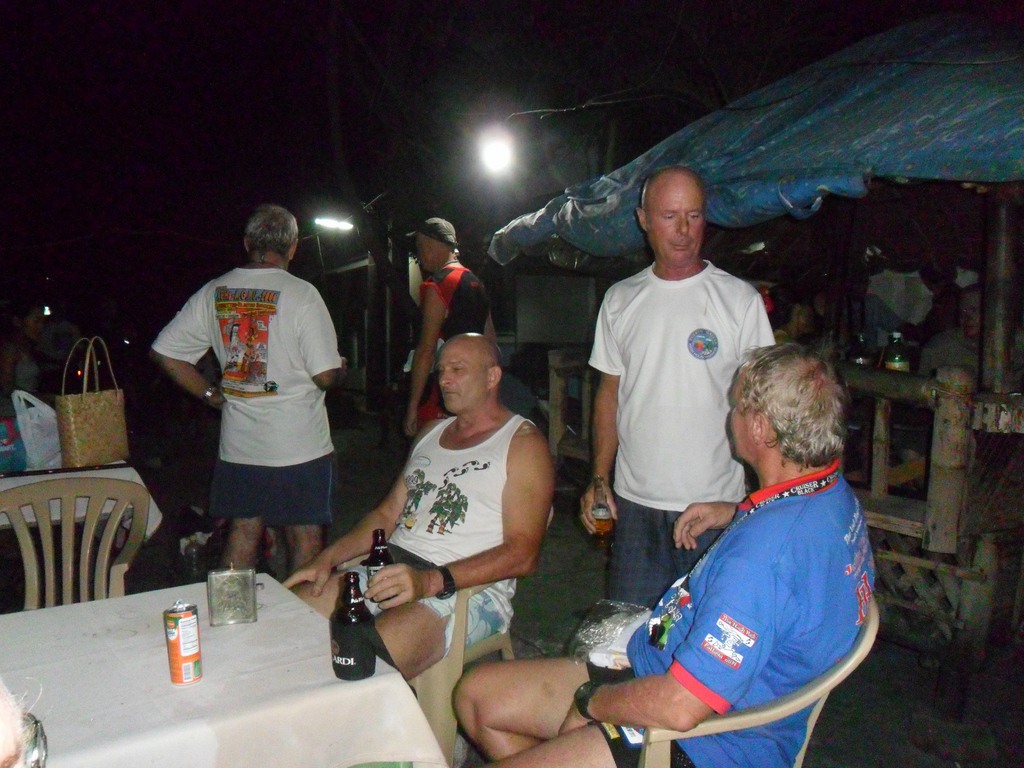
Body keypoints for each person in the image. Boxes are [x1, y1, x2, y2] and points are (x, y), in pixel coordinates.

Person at [455, 343, 876, 768]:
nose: (729, 415)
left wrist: (591, 702)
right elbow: (788, 555)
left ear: (761, 428)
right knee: (476, 697)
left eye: (736, 406)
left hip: (700, 741)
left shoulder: (759, 562)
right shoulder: (830, 494)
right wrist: (733, 513)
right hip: (658, 665)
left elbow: (680, 706)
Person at [285, 333, 553, 680]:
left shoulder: (522, 444)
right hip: (393, 566)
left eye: (458, 369)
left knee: (362, 659)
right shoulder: (431, 433)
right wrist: (327, 558)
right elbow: (386, 515)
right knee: (291, 622)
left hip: (467, 588)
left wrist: (428, 582)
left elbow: (523, 554)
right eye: (441, 370)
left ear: (492, 377)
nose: (444, 380)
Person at [581, 166, 774, 608]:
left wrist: (759, 498)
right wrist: (599, 478)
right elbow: (609, 395)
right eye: (669, 216)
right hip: (634, 506)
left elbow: (765, 405)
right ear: (643, 219)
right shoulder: (620, 299)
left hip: (714, 507)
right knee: (629, 630)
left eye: (694, 215)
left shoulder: (739, 300)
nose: (683, 230)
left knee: (706, 633)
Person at [151, 204, 347, 574]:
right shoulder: (302, 294)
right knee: (304, 537)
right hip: (300, 446)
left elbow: (165, 352)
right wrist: (341, 371)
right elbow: (324, 376)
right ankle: (302, 611)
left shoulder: (214, 291)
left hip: (240, 445)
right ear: (293, 247)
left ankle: (231, 609)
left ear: (247, 243)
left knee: (242, 532)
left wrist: (211, 395)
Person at [403, 217, 495, 438]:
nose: (420, 255)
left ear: (435, 244)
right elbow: (490, 342)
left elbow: (426, 350)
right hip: (474, 389)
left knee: (430, 450)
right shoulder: (476, 284)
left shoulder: (439, 284)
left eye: (421, 246)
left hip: (443, 391)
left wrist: (413, 405)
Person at [0, 298, 48, 417]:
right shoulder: (9, 349)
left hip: (28, 410)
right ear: (18, 321)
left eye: (43, 321)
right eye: (36, 321)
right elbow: (7, 388)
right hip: (12, 414)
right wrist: (41, 398)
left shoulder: (29, 348)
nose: (41, 326)